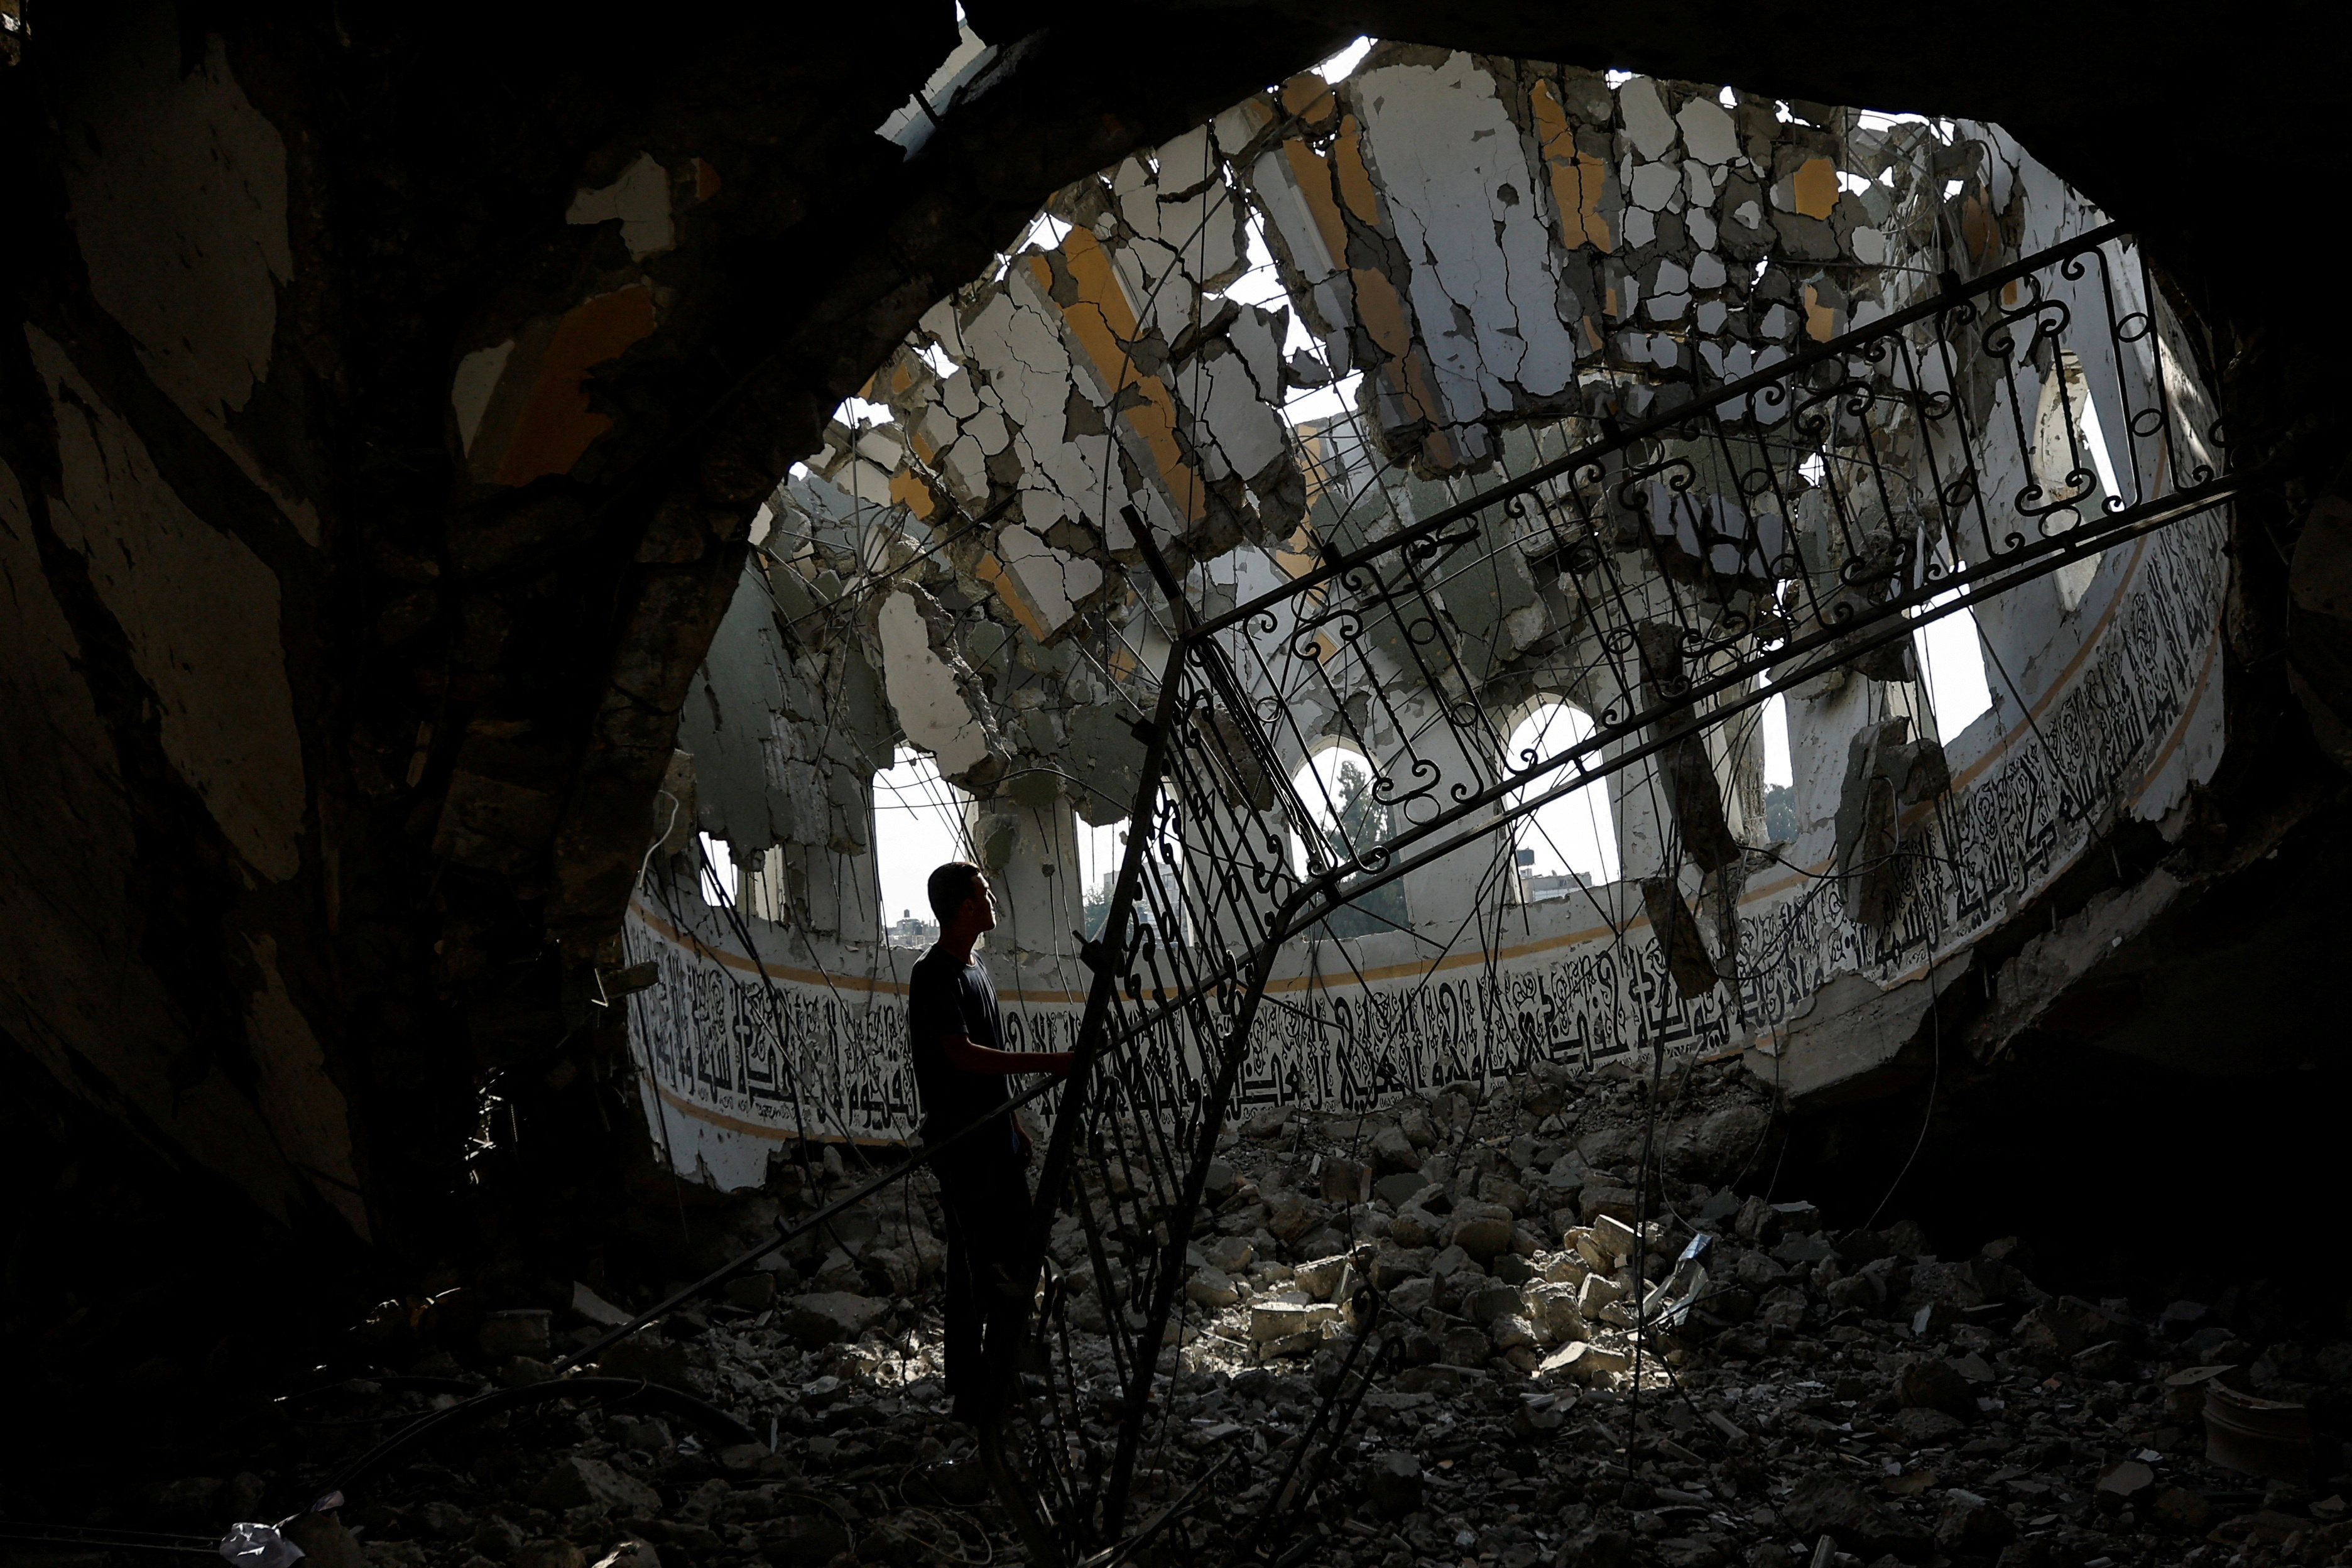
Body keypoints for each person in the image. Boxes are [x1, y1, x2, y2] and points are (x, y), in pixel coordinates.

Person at [905, 861, 1072, 1422]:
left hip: (994, 1137)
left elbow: (990, 1071)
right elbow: (961, 1055)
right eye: (983, 892)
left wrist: (1015, 1124)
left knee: (1007, 1259)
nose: (993, 897)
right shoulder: (934, 975)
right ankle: (976, 1387)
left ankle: (999, 1374)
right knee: (979, 1266)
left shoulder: (975, 970)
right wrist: (1052, 1063)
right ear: (964, 908)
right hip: (963, 1142)